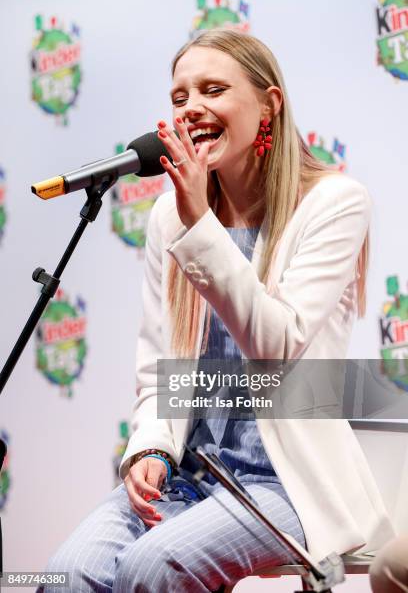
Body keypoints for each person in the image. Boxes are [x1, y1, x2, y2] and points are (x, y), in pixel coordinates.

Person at [40, 29, 395, 592]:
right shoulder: (168, 216)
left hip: (285, 483)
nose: (192, 109)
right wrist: (151, 447)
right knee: (63, 575)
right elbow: (162, 362)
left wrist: (199, 221)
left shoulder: (333, 202)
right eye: (180, 97)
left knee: (149, 570)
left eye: (213, 90)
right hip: (190, 472)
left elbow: (275, 345)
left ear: (269, 105)